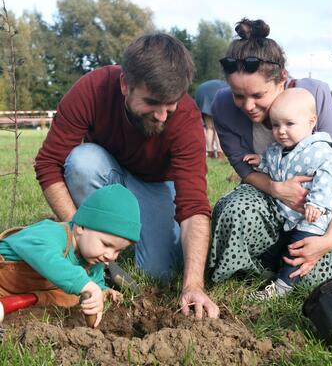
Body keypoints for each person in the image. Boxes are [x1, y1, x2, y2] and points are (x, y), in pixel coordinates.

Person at [34, 33, 219, 319]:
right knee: (83, 161)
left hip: (155, 183)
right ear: (125, 85)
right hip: (106, 172)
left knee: (157, 271)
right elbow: (48, 164)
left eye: (169, 103)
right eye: (152, 102)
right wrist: (75, 232)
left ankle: (122, 242)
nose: (161, 115)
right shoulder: (93, 89)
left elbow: (193, 206)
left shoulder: (185, 118)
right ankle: (93, 243)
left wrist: (193, 284)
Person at [208, 18, 332, 289]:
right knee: (233, 211)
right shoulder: (222, 106)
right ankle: (266, 261)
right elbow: (243, 169)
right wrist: (276, 189)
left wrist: (328, 239)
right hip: (269, 196)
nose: (248, 106)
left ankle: (288, 260)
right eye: (238, 95)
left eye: (258, 95)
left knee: (320, 273)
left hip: (320, 207)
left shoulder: (312, 94)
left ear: (281, 79)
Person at [243, 88, 332, 299]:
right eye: (276, 125)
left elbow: (328, 178)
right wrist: (260, 162)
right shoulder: (277, 150)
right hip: (286, 214)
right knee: (276, 244)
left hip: (310, 217)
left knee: (295, 251)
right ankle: (266, 270)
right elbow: (274, 167)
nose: (281, 131)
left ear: (311, 121)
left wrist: (317, 203)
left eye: (289, 124)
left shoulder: (320, 150)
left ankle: (282, 286)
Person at [0, 184, 141, 327]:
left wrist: (101, 292)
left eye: (118, 251)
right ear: (81, 227)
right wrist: (86, 285)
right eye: (106, 244)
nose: (111, 256)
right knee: (76, 285)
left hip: (23, 292)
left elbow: (95, 281)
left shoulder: (93, 261)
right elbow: (48, 260)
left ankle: (14, 304)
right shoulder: (53, 233)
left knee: (70, 297)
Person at [195, 79, 228, 159]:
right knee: (218, 128)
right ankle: (220, 153)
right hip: (218, 99)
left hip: (203, 95)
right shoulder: (226, 87)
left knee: (209, 128)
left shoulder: (205, 86)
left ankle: (210, 152)